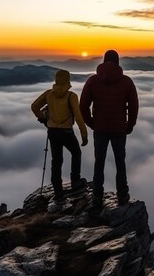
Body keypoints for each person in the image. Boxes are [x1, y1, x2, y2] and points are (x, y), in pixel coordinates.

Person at [80, 50, 139, 207]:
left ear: (104, 61)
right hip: (119, 128)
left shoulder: (93, 81)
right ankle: (122, 196)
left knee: (99, 162)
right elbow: (134, 106)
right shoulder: (126, 82)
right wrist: (130, 125)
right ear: (117, 62)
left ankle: (97, 196)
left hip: (99, 128)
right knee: (120, 162)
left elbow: (83, 106)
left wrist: (91, 123)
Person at [31, 69, 88, 202]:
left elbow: (34, 106)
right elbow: (79, 117)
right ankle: (75, 181)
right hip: (67, 132)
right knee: (76, 153)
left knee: (56, 160)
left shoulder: (48, 94)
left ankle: (58, 191)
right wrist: (84, 135)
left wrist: (43, 119)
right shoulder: (71, 96)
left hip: (52, 131)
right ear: (68, 80)